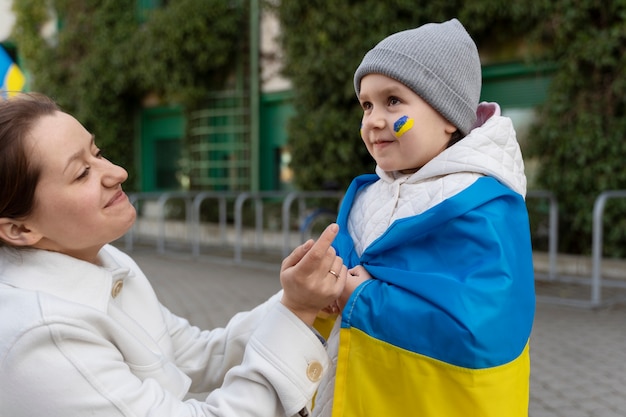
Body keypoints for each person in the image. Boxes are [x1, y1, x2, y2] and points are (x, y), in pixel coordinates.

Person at [0, 92, 350, 417]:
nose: (118, 173)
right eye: (81, 173)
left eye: (98, 152)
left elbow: (197, 355)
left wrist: (300, 298)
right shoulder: (45, 337)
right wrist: (297, 311)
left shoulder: (105, 260)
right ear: (19, 229)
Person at [312, 19, 536, 417]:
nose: (373, 120)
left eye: (393, 101)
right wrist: (318, 287)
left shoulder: (482, 204)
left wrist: (359, 297)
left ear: (449, 116)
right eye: (366, 104)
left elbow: (481, 330)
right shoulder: (366, 196)